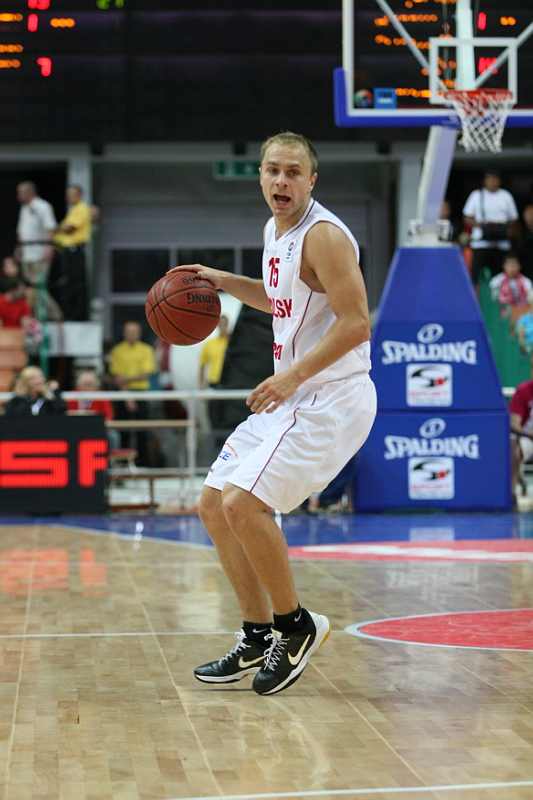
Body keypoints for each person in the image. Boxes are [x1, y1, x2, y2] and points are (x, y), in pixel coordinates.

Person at [170, 131, 377, 696]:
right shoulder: (275, 230)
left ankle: (296, 624)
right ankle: (258, 634)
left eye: (293, 172)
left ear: (312, 180)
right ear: (260, 176)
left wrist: (291, 375)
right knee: (213, 504)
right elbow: (280, 299)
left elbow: (357, 323)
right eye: (272, 171)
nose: (281, 181)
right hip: (295, 394)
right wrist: (224, 283)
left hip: (332, 397)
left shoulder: (324, 236)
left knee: (244, 504)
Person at [108, 320, 156, 466]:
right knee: (124, 431)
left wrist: (125, 378)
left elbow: (145, 373)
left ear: (139, 333)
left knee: (143, 431)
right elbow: (117, 377)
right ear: (124, 333)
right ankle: (124, 464)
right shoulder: (117, 351)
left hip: (141, 393)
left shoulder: (146, 350)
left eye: (134, 331)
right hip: (123, 393)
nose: (132, 334)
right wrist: (128, 397)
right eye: (129, 331)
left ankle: (143, 464)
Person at [462, 170, 519, 290]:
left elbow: (514, 218)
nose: (492, 182)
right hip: (481, 242)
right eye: (489, 179)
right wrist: (482, 225)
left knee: (499, 277)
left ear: (499, 181)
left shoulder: (506, 195)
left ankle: (499, 300)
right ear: (485, 181)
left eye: (495, 179)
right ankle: (477, 301)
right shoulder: (477, 195)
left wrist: (500, 225)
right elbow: (466, 217)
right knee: (477, 276)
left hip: (501, 243)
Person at [52, 185, 92, 320]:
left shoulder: (81, 208)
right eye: (68, 194)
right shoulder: (73, 210)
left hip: (75, 251)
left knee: (76, 283)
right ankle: (70, 313)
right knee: (68, 283)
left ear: (79, 195)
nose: (69, 197)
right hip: (67, 251)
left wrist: (60, 227)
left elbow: (69, 228)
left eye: (72, 194)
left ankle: (78, 316)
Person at [14, 181, 58, 290]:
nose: (18, 195)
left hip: (39, 253)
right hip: (26, 253)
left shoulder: (43, 206)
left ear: (28, 192)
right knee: (29, 287)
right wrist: (18, 249)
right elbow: (21, 231)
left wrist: (49, 248)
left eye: (20, 192)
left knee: (39, 286)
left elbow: (51, 228)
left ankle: (49, 303)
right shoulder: (24, 208)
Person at [67, 370, 120, 450]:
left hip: (96, 427)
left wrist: (95, 416)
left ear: (96, 386)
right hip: (75, 426)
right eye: (85, 384)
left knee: (113, 435)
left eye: (91, 385)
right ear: (79, 385)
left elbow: (109, 415)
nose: (88, 388)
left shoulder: (101, 396)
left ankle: (112, 458)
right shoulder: (72, 395)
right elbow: (66, 413)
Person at [0, 255, 62, 322]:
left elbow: (28, 301)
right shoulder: (1, 283)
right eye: (6, 266)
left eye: (12, 265)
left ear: (17, 267)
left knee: (34, 293)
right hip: (3, 311)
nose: (10, 268)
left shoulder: (23, 281)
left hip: (22, 312)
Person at [509, 379, 533, 508]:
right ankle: (511, 494)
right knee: (513, 446)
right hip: (527, 438)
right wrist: (528, 433)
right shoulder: (523, 391)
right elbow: (515, 423)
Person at [198, 314, 230, 389]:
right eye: (221, 323)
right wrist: (201, 387)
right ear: (217, 325)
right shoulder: (209, 344)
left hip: (229, 382)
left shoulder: (232, 343)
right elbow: (202, 365)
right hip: (213, 383)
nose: (223, 326)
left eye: (224, 323)